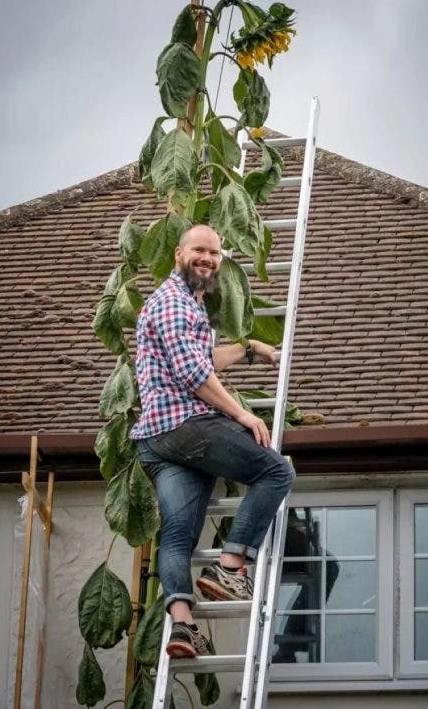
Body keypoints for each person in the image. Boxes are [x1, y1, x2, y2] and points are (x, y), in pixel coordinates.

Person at [131, 224, 295, 658]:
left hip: (158, 440)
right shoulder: (171, 302)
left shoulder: (188, 304)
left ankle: (183, 629)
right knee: (276, 470)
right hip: (184, 426)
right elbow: (194, 376)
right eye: (199, 250)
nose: (207, 258)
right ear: (178, 254)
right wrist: (241, 413)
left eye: (215, 253)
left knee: (178, 536)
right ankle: (231, 565)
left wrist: (246, 349)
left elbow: (199, 358)